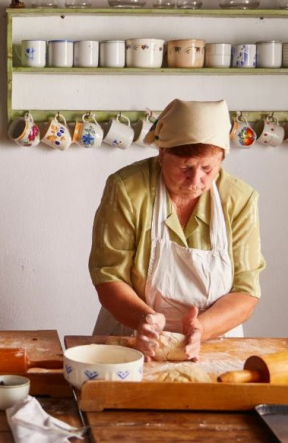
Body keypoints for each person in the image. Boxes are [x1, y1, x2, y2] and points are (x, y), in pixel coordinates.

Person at [89, 99, 264, 360]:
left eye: (208, 169)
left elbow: (245, 290)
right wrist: (144, 320)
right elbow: (109, 275)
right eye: (185, 168)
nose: (196, 181)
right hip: (135, 339)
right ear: (162, 154)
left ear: (221, 160)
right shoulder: (128, 189)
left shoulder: (239, 199)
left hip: (212, 343)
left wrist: (201, 328)